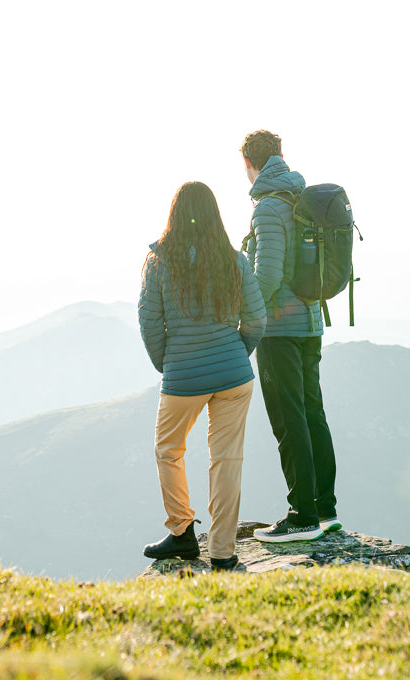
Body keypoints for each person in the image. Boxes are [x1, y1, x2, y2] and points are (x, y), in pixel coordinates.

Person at [138, 180, 266, 571]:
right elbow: (256, 318)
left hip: (183, 379)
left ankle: (181, 533)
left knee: (168, 451)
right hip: (234, 377)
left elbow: (149, 323)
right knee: (227, 460)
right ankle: (224, 553)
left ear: (174, 215)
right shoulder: (233, 259)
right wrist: (235, 353)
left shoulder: (159, 261)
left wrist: (170, 363)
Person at [240, 130, 340, 543]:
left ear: (249, 165)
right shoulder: (300, 197)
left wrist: (246, 317)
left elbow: (267, 274)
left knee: (288, 417)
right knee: (312, 412)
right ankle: (325, 508)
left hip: (279, 329)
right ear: (280, 155)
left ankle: (301, 516)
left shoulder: (267, 207)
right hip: (312, 322)